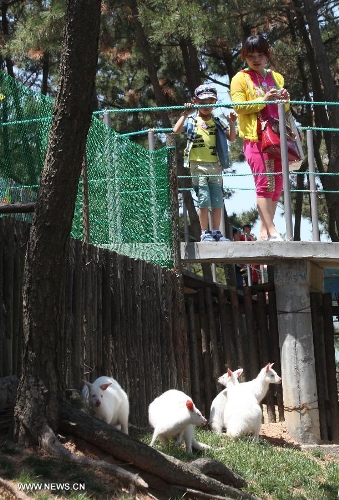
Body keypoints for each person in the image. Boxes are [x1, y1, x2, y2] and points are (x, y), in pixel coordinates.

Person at [230, 35, 290, 241]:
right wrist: (262, 100)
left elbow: (284, 109)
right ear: (244, 57)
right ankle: (273, 231)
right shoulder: (240, 78)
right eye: (251, 56)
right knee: (264, 183)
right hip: (255, 139)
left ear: (267, 54)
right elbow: (238, 107)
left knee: (277, 185)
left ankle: (265, 232)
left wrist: (285, 100)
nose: (256, 60)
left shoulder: (277, 77)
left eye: (260, 55)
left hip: (278, 138)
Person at [173, 84, 237, 242]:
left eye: (210, 101)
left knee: (217, 200)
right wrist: (185, 114)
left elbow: (232, 138)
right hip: (198, 166)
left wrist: (232, 123)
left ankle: (216, 231)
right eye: (203, 102)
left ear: (215, 102)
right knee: (203, 199)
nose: (207, 105)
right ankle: (205, 232)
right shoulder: (192, 120)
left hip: (215, 166)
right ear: (195, 101)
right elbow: (176, 130)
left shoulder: (217, 121)